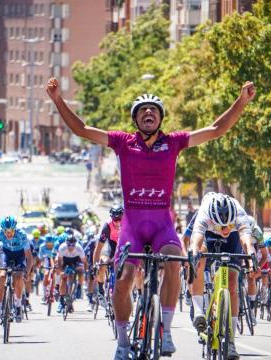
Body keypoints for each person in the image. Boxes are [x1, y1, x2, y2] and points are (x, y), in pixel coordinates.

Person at [46, 76, 255, 359]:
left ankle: (166, 333)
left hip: (162, 224)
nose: (148, 113)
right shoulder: (122, 142)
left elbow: (216, 129)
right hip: (132, 225)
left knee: (172, 262)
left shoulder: (174, 142)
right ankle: (122, 344)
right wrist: (58, 100)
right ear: (135, 118)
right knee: (123, 280)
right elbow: (81, 129)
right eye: (143, 110)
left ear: (160, 118)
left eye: (153, 110)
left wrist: (241, 102)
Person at [189, 192, 256, 359]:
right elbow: (196, 239)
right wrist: (194, 255)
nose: (225, 229)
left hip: (234, 240)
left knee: (232, 283)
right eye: (221, 226)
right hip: (209, 237)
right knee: (199, 260)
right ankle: (198, 310)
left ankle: (231, 341)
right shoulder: (204, 213)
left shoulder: (239, 213)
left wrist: (251, 259)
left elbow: (246, 240)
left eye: (228, 225)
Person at [0, 216, 33, 324]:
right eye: (6, 231)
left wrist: (27, 271)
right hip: (6, 254)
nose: (8, 234)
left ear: (15, 229)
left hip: (19, 255)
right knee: (2, 276)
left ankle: (17, 306)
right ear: (3, 230)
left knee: (18, 277)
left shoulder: (21, 235)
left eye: (11, 231)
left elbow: (29, 257)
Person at [93, 205, 123, 305]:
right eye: (115, 219)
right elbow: (98, 249)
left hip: (123, 244)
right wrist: (95, 264)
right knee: (103, 263)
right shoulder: (107, 226)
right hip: (111, 245)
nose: (118, 222)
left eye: (120, 219)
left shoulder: (128, 223)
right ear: (111, 218)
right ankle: (101, 290)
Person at [56, 234, 87, 313]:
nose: (71, 247)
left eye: (73, 245)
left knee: (80, 271)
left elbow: (84, 262)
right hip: (65, 261)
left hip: (76, 260)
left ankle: (79, 286)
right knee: (63, 278)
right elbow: (59, 262)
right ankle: (62, 301)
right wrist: (61, 271)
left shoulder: (79, 248)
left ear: (75, 244)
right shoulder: (62, 248)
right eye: (69, 245)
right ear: (66, 243)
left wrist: (86, 271)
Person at [38, 234, 57, 304]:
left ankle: (54, 289)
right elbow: (41, 259)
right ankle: (44, 294)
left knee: (54, 273)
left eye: (51, 244)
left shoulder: (56, 247)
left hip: (54, 259)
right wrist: (41, 265)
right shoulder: (42, 247)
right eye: (47, 244)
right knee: (46, 274)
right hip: (46, 260)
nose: (49, 246)